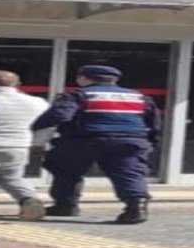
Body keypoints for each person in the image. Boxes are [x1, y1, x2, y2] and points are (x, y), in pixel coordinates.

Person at [32, 65, 163, 224]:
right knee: (130, 173)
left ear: (83, 78)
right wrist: (151, 142)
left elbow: (59, 115)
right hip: (130, 141)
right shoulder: (139, 97)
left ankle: (66, 205)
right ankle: (136, 208)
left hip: (83, 140)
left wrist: (34, 127)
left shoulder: (79, 95)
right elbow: (154, 123)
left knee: (65, 170)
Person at [0, 70, 53, 222]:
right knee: (12, 178)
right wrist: (37, 143)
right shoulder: (37, 102)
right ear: (17, 84)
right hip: (17, 146)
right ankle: (28, 198)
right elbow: (48, 126)